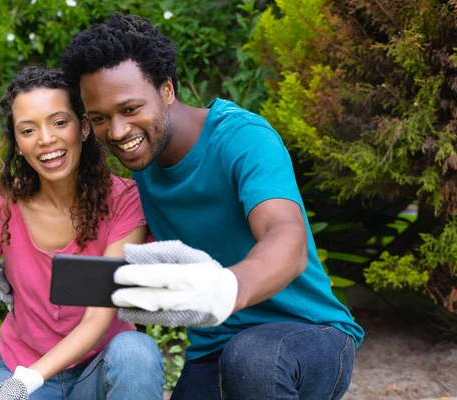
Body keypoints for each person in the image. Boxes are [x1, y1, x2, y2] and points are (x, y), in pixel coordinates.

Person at [60, 13, 365, 400]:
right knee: (238, 357)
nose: (117, 132)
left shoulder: (243, 139)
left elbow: (285, 237)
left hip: (309, 334)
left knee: (254, 358)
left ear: (167, 89)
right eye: (100, 118)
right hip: (215, 349)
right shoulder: (142, 164)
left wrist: (229, 287)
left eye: (131, 108)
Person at [0, 66, 164, 400]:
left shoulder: (122, 201)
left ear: (83, 127)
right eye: (28, 130)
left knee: (136, 352)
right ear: (18, 144)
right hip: (20, 363)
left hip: (99, 369)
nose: (45, 139)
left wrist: (23, 384)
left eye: (59, 122)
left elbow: (98, 319)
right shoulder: (0, 207)